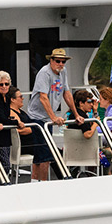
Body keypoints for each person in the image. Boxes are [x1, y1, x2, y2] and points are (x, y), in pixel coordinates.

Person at [28, 48, 84, 179]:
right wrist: (53, 117)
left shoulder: (63, 72)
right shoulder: (44, 73)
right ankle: (44, 185)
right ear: (51, 61)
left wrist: (76, 114)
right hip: (38, 117)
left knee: (40, 155)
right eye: (58, 61)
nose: (61, 64)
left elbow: (67, 93)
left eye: (63, 61)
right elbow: (43, 97)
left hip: (48, 118)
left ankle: (35, 184)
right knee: (45, 155)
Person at [8, 86, 52, 181]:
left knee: (48, 149)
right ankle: (44, 182)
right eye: (20, 96)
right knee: (47, 152)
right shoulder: (11, 113)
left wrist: (33, 128)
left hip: (32, 142)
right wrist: (35, 129)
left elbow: (27, 127)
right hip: (23, 145)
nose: (22, 98)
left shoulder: (22, 112)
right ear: (12, 99)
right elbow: (19, 130)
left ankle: (36, 180)